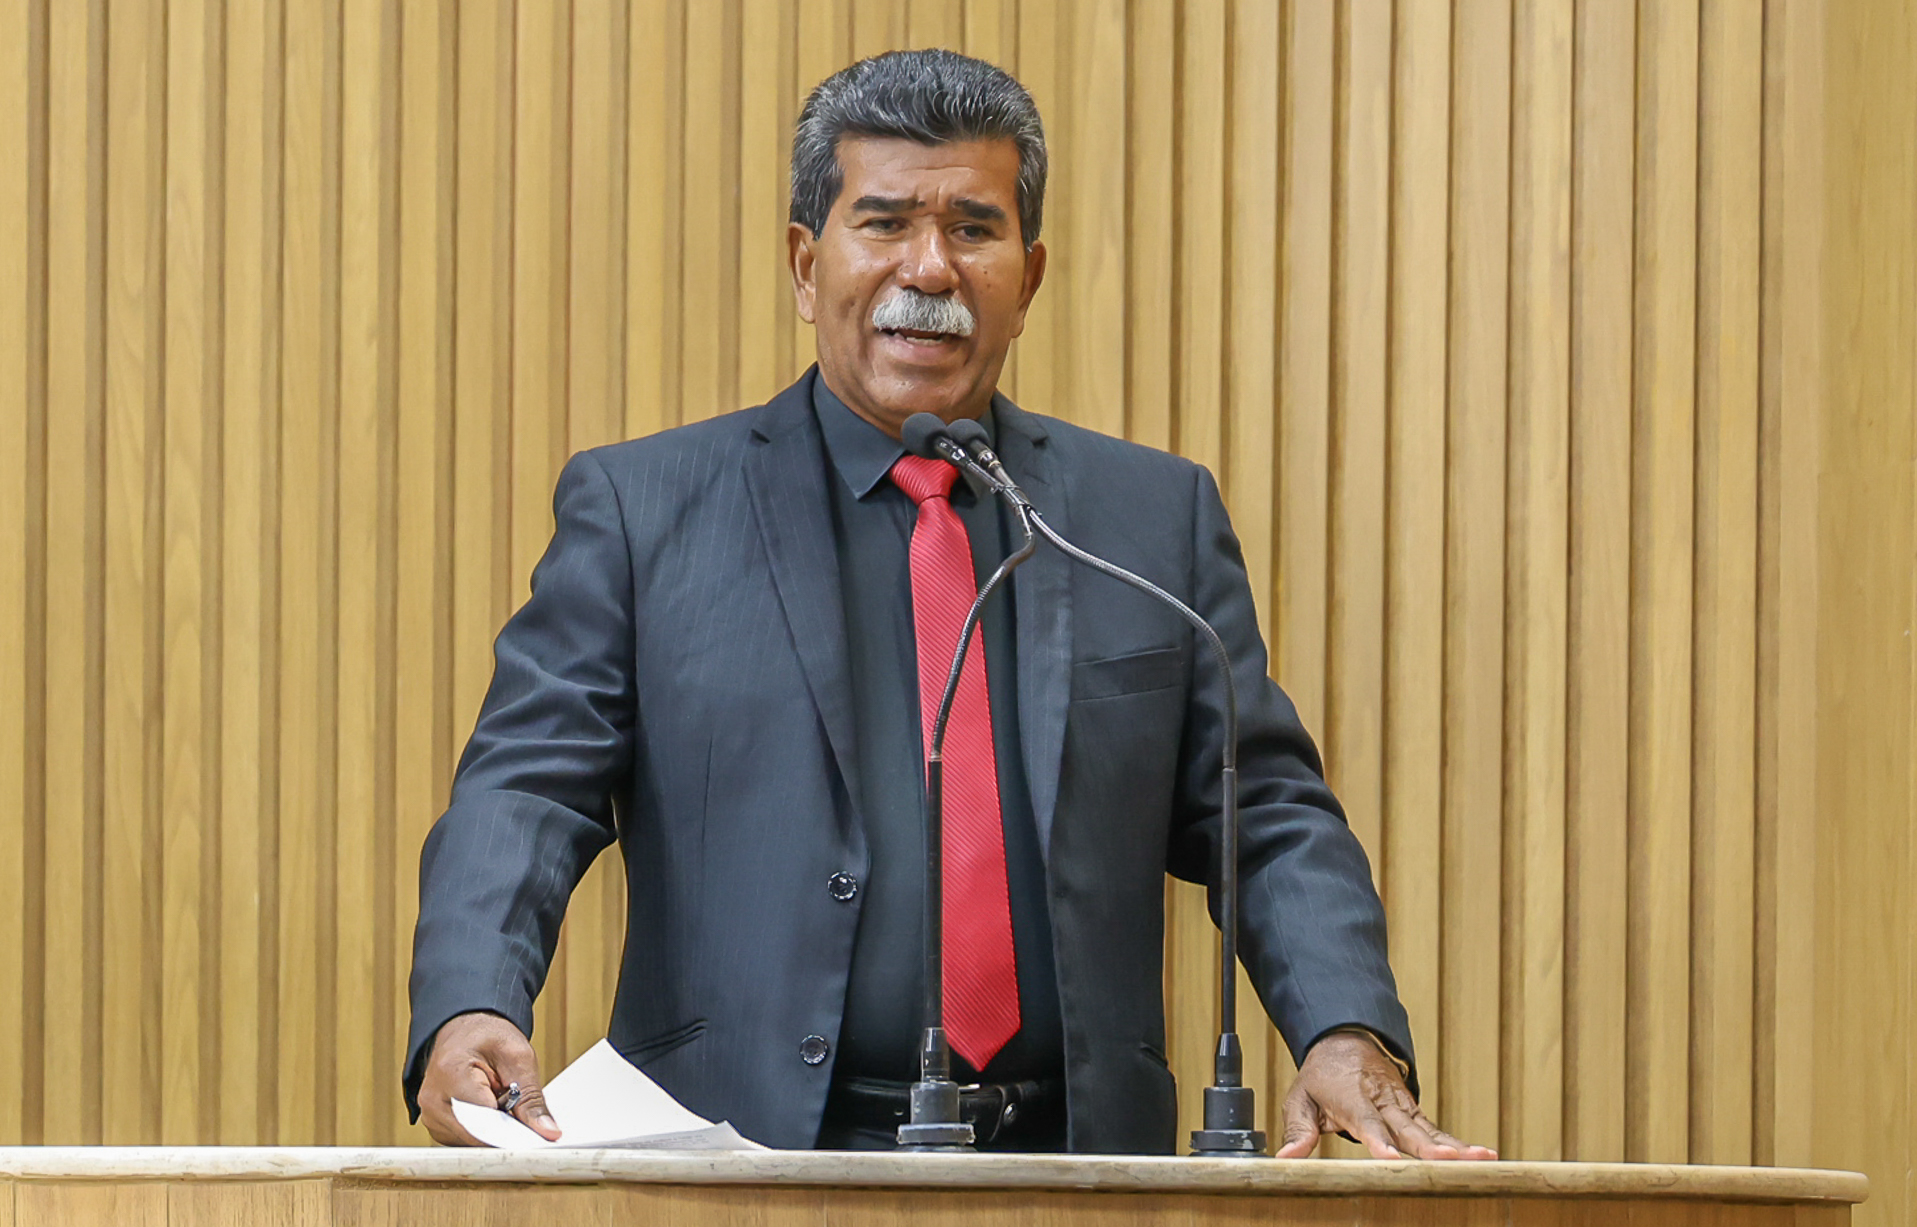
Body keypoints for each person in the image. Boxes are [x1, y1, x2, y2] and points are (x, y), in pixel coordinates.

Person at [405, 49, 1493, 1161]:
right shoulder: (645, 512)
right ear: (805, 265)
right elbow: (526, 783)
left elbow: (1262, 813)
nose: (928, 268)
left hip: (1083, 1170)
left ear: (1028, 276)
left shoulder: (1145, 520)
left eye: (973, 229)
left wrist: (1341, 1023)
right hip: (739, 1168)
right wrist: (469, 999)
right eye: (883, 223)